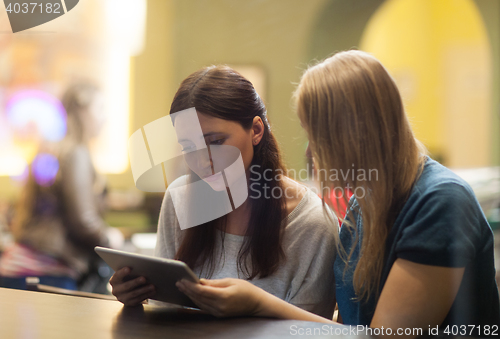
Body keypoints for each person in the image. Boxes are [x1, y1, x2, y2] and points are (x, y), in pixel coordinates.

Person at [174, 51, 500, 336]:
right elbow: (351, 328)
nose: (311, 151)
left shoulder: (441, 203)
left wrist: (259, 303)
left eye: (317, 134)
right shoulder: (364, 206)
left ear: (353, 133)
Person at [110, 66, 337, 319]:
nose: (202, 161)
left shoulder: (313, 224)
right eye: (188, 146)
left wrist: (255, 305)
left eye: (216, 142)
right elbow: (165, 312)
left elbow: (315, 331)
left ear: (256, 131)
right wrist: (136, 296)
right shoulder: (180, 199)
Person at [0, 83, 123, 291]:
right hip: (49, 273)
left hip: (16, 268)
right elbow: (83, 222)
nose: (105, 118)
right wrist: (110, 238)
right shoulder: (76, 153)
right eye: (100, 109)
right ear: (82, 110)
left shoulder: (49, 148)